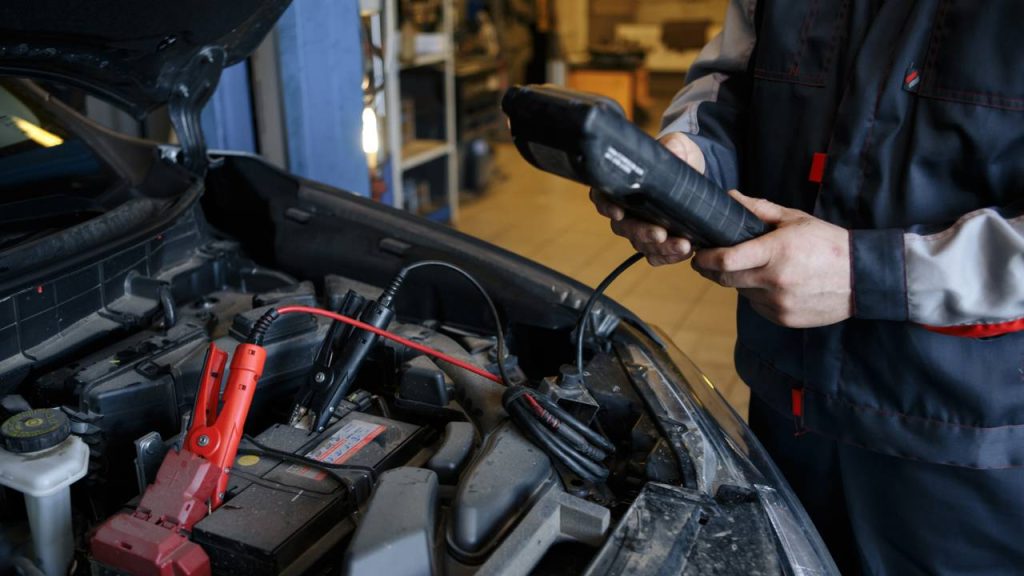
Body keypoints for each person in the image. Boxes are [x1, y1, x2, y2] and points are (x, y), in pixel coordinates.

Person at [591, 2, 1024, 574]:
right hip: (785, 416)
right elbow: (731, 86)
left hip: (960, 447)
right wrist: (689, 163)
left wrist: (865, 275)